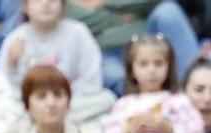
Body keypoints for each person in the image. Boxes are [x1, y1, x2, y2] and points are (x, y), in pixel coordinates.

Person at [0, 0, 116, 125]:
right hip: (31, 106)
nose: (45, 3)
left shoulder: (78, 32)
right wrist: (11, 65)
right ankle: (51, 122)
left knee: (107, 100)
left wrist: (60, 103)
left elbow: (91, 80)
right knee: (8, 108)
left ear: (63, 5)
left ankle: (42, 123)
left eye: (53, 0)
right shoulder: (15, 38)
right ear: (25, 6)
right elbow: (4, 89)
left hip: (70, 102)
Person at [65, 0, 202, 98]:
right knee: (116, 76)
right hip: (108, 52)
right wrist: (126, 13)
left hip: (150, 43)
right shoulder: (63, 5)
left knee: (168, 10)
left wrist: (106, 3)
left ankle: (198, 86)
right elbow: (81, 21)